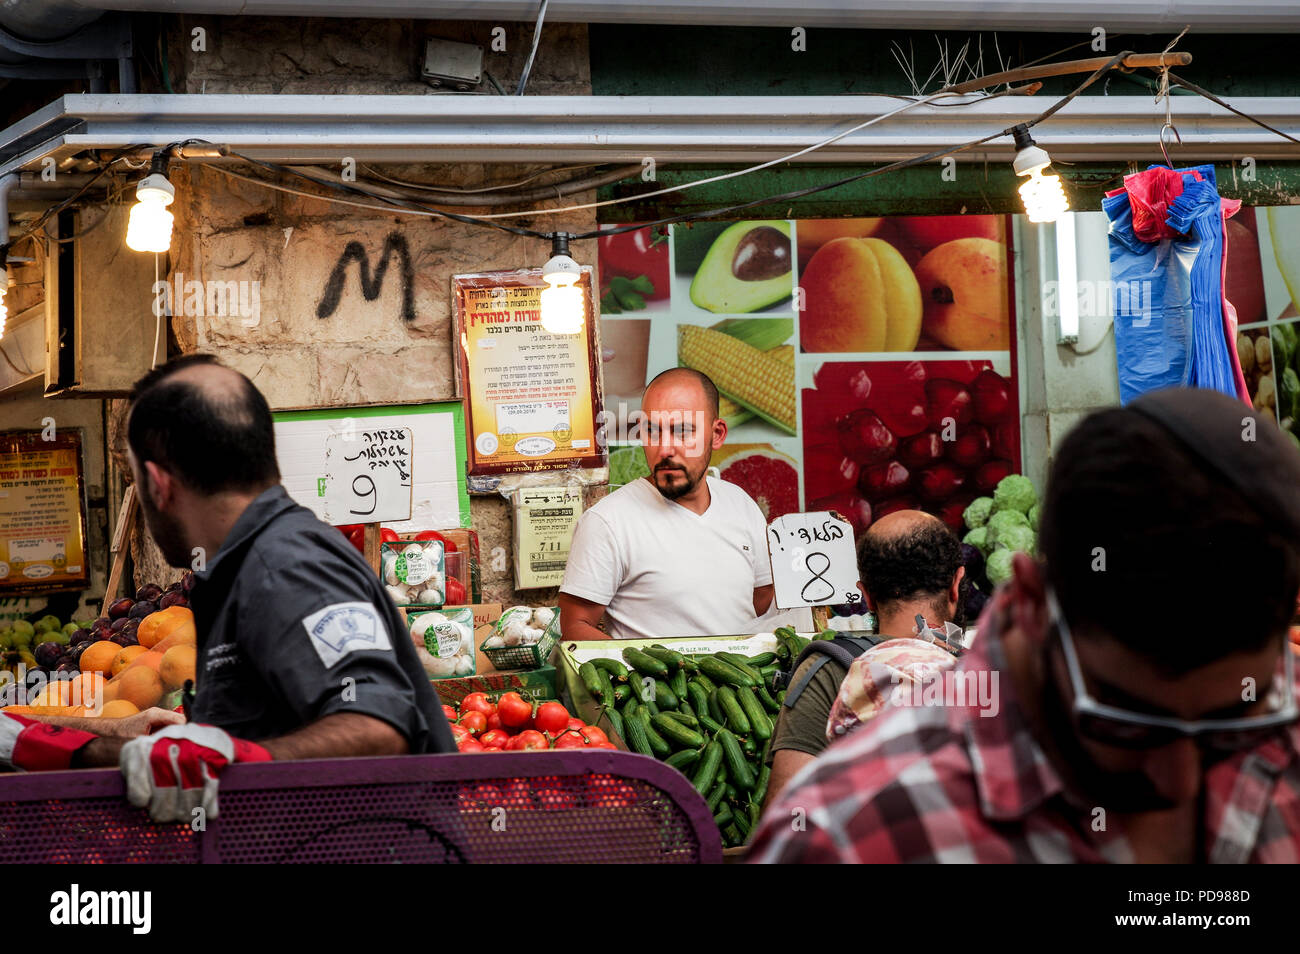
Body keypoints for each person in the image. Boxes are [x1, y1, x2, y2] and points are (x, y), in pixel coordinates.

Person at [751, 388, 1300, 863]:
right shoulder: (851, 831)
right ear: (1030, 598)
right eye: (1121, 715)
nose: (1180, 779)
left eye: (1234, 722)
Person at [86, 355, 455, 822]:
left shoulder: (286, 566)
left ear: (158, 485)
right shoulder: (253, 564)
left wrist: (232, 760)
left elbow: (379, 723)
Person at [763, 510, 963, 807]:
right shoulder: (991, 675)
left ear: (866, 595)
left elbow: (793, 813)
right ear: (956, 586)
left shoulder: (829, 670)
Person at [559, 367, 774, 640]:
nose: (664, 449)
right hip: (654, 681)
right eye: (652, 431)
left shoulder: (740, 504)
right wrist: (647, 671)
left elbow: (761, 594)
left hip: (743, 678)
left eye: (682, 431)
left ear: (717, 434)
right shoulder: (607, 522)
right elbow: (575, 627)